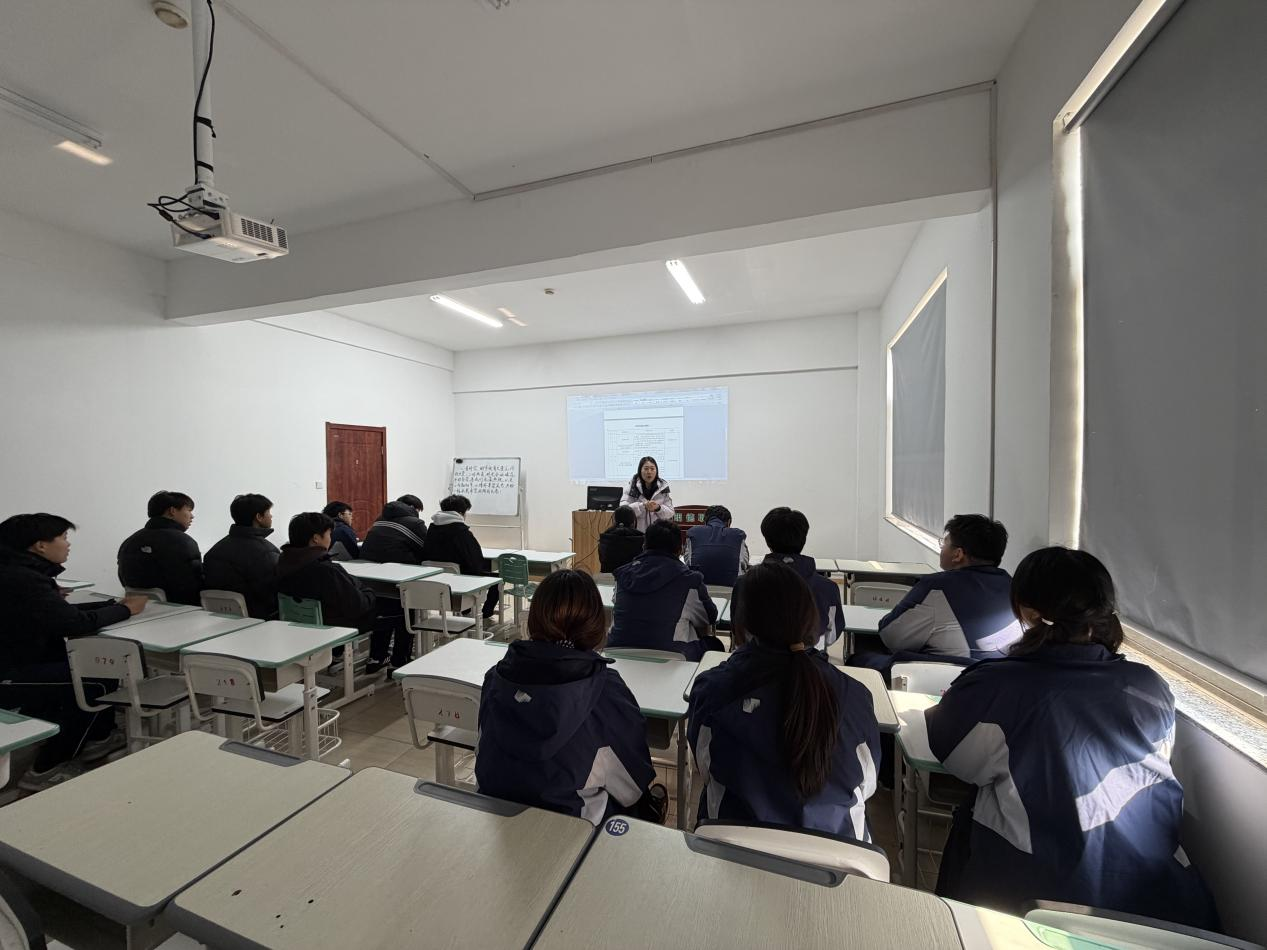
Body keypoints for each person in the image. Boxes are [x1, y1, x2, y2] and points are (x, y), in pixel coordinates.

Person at [926, 547, 1218, 929]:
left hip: (1033, 900)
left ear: (1027, 612)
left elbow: (957, 760)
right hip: (1161, 906)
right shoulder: (1150, 687)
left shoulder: (993, 686)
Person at [687, 562, 881, 841]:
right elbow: (867, 783)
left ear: (739, 627)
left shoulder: (712, 691)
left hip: (731, 855)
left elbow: (704, 766)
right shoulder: (855, 697)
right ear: (811, 620)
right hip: (837, 859)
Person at [476, 570, 664, 825]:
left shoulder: (495, 679)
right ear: (597, 625)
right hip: (572, 832)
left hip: (498, 822)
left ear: (533, 619)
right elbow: (632, 787)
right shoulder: (605, 690)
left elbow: (483, 755)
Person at [0, 514, 148, 790]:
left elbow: (58, 616)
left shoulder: (18, 573)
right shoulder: (23, 579)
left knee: (92, 667)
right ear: (40, 545)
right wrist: (126, 609)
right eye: (63, 538)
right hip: (10, 673)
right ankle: (47, 767)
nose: (68, 544)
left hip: (24, 660)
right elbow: (73, 624)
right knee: (92, 680)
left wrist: (110, 605)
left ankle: (98, 739)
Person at [871, 514, 1023, 669]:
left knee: (864, 656)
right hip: (1002, 674)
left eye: (944, 543)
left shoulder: (937, 587)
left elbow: (891, 637)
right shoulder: (1013, 585)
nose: (942, 548)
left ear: (958, 555)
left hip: (947, 675)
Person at [608, 521, 720, 660]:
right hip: (674, 657)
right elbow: (710, 617)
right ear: (680, 549)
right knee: (713, 644)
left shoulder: (622, 575)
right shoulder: (689, 580)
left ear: (644, 546)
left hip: (618, 652)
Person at [275, 512, 376, 632]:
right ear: (316, 538)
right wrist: (369, 591)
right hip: (337, 628)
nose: (330, 538)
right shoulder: (326, 570)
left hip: (297, 625)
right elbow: (358, 606)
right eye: (329, 534)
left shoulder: (283, 561)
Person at [759, 507, 842, 650]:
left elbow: (740, 631)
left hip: (757, 661)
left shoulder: (745, 583)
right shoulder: (828, 588)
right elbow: (831, 636)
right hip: (810, 659)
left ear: (767, 541)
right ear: (803, 539)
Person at [117, 491, 203, 605]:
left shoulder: (130, 541)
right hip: (179, 609)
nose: (192, 516)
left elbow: (123, 577)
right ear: (172, 511)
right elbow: (193, 584)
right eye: (188, 510)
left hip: (138, 607)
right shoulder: (183, 542)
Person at [421, 495, 500, 620]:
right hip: (462, 581)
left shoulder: (432, 529)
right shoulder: (462, 532)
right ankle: (485, 614)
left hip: (436, 581)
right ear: (461, 513)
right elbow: (475, 561)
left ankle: (466, 610)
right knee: (498, 579)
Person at [202, 493, 280, 619]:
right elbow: (272, 595)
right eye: (268, 512)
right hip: (258, 619)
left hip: (218, 618)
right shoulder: (266, 552)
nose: (271, 516)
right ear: (259, 517)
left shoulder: (215, 550)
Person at [684, 504, 749, 587]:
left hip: (699, 587)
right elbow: (744, 562)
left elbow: (688, 561)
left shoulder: (693, 533)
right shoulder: (738, 535)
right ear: (729, 522)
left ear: (705, 522)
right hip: (732, 588)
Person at [359, 498, 428, 565]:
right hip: (398, 563)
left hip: (367, 558)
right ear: (412, 507)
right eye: (419, 510)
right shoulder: (415, 523)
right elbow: (427, 546)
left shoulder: (380, 519)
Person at [620, 456, 674, 532]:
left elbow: (670, 513)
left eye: (652, 469)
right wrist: (642, 506)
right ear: (640, 470)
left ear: (656, 471)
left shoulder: (663, 487)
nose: (649, 472)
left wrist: (658, 508)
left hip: (657, 533)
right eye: (646, 469)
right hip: (636, 533)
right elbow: (623, 512)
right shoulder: (632, 487)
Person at [597, 505, 643, 574]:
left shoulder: (605, 538)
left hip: (609, 577)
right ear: (633, 520)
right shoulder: (642, 539)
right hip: (634, 577)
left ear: (615, 520)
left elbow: (602, 560)